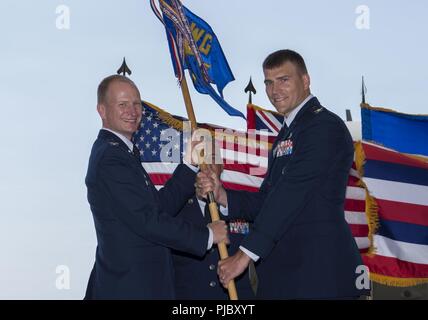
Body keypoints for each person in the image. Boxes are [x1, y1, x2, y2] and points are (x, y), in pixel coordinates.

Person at [196, 50, 368, 299]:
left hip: (318, 274)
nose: (274, 90)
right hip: (287, 276)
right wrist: (223, 196)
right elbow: (268, 200)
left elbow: (291, 195)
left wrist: (244, 255)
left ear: (306, 80)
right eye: (268, 82)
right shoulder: (287, 135)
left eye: (283, 80)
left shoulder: (323, 126)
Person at [84, 75, 228, 299]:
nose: (132, 111)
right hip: (130, 288)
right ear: (102, 110)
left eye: (136, 104)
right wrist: (207, 236)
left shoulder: (123, 153)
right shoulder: (110, 158)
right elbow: (147, 221)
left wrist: (189, 164)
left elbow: (157, 208)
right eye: (122, 105)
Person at [172, 163, 256, 300]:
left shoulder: (239, 205)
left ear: (221, 168)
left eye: (212, 160)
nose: (206, 167)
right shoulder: (176, 209)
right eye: (200, 162)